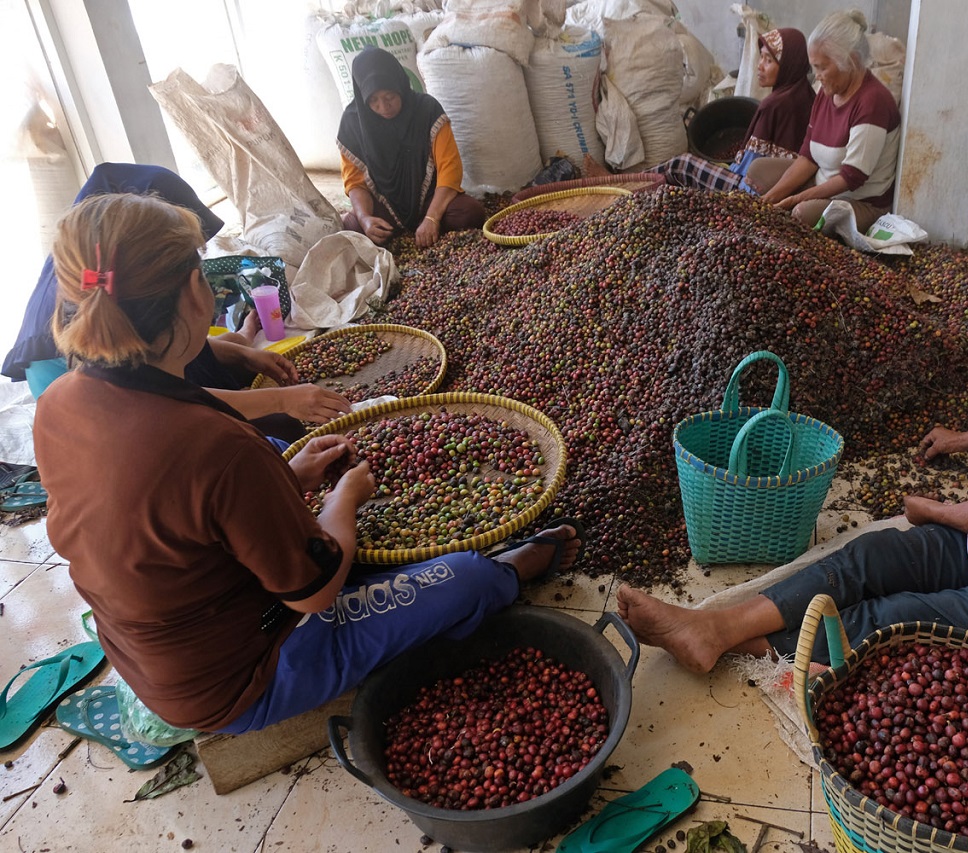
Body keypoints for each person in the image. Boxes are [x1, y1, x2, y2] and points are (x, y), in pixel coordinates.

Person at [33, 192, 582, 732]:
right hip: (247, 677)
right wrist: (342, 500)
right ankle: (508, 571)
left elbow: (168, 514)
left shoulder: (58, 403)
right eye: (201, 274)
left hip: (157, 660)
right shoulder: (215, 448)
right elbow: (314, 593)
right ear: (188, 298)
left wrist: (288, 479)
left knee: (276, 453)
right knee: (465, 579)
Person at [618, 216, 968, 671]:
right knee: (875, 555)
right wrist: (964, 439)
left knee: (900, 616)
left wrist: (934, 510)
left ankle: (738, 644)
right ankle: (717, 626)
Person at [2, 162, 351, 436]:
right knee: (277, 424)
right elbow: (169, 397)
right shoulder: (102, 311)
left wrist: (241, 350)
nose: (209, 291)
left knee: (224, 350)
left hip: (130, 378)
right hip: (119, 406)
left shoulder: (112, 277)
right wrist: (282, 399)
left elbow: (158, 361)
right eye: (199, 274)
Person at [747, 10, 900, 233]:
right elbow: (808, 157)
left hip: (860, 201)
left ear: (852, 61)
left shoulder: (872, 103)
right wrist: (772, 197)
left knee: (801, 213)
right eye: (814, 67)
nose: (816, 75)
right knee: (758, 169)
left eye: (822, 67)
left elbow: (851, 178)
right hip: (821, 180)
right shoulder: (827, 92)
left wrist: (794, 200)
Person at [338, 47, 485, 249]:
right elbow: (355, 183)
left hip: (428, 200)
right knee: (351, 225)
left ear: (399, 84)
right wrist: (365, 219)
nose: (383, 107)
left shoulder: (427, 110)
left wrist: (432, 218)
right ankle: (388, 227)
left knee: (470, 213)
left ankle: (429, 223)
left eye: (389, 96)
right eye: (373, 100)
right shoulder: (352, 123)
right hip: (385, 205)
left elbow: (449, 169)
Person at [655, 28, 815, 193]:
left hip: (750, 191)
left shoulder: (774, 105)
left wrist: (727, 174)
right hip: (785, 187)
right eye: (761, 57)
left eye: (769, 61)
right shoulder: (808, 95)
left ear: (788, 65)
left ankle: (636, 184)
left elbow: (750, 169)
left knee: (682, 164)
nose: (759, 66)